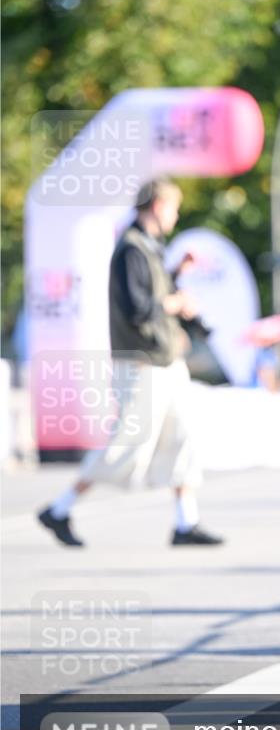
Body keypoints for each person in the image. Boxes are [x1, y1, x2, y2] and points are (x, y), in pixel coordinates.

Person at [37, 178, 223, 548]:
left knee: (182, 437)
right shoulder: (130, 250)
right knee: (126, 444)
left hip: (165, 362)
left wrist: (176, 276)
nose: (177, 214)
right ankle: (60, 508)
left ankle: (186, 521)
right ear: (156, 205)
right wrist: (176, 303)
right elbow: (138, 309)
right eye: (173, 206)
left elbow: (152, 295)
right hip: (142, 366)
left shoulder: (148, 249)